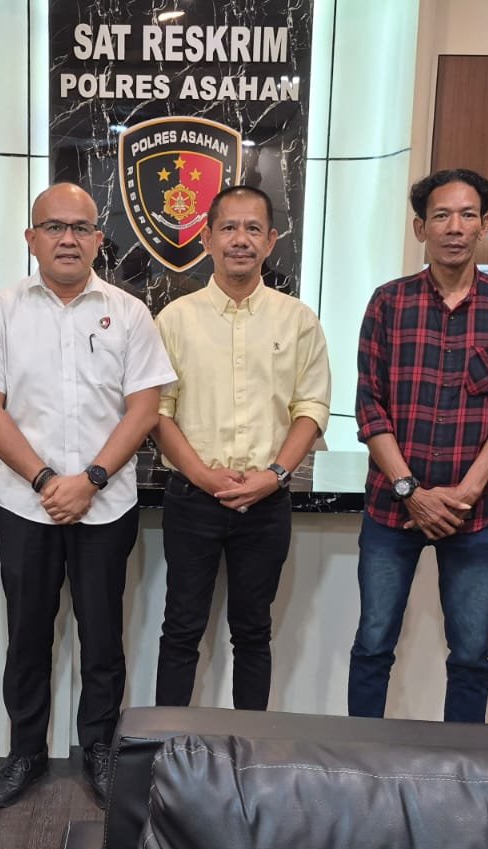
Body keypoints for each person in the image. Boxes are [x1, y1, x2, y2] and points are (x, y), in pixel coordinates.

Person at [0, 183, 175, 809]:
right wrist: (47, 481)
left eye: (80, 227)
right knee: (27, 637)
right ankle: (26, 752)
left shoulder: (129, 313)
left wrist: (93, 479)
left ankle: (99, 750)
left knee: (102, 638)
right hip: (27, 506)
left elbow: (144, 409)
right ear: (32, 238)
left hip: (108, 505)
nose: (68, 239)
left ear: (99, 239)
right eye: (54, 227)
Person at [349, 169, 488, 724]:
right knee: (373, 644)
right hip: (392, 508)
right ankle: (360, 762)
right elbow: (370, 405)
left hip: (471, 512)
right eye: (441, 216)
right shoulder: (388, 303)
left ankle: (461, 765)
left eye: (467, 215)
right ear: (420, 228)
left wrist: (467, 491)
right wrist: (410, 490)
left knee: (472, 654)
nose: (454, 227)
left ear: (486, 225)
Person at [151, 185, 330, 710]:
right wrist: (203, 475)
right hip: (192, 499)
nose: (240, 240)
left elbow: (311, 408)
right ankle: (168, 747)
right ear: (206, 238)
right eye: (229, 228)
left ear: (271, 241)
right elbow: (158, 411)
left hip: (267, 502)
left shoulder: (298, 320)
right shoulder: (175, 319)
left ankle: (249, 748)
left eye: (253, 229)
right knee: (181, 629)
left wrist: (274, 475)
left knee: (253, 632)